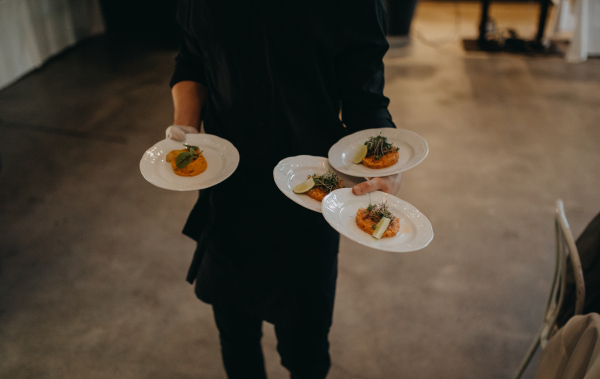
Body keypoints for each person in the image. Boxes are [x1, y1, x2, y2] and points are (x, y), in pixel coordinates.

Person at [167, 1, 402, 378]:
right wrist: (185, 129)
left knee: (305, 352)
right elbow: (192, 59)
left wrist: (386, 164)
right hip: (228, 198)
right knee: (235, 334)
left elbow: (365, 99)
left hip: (307, 206)